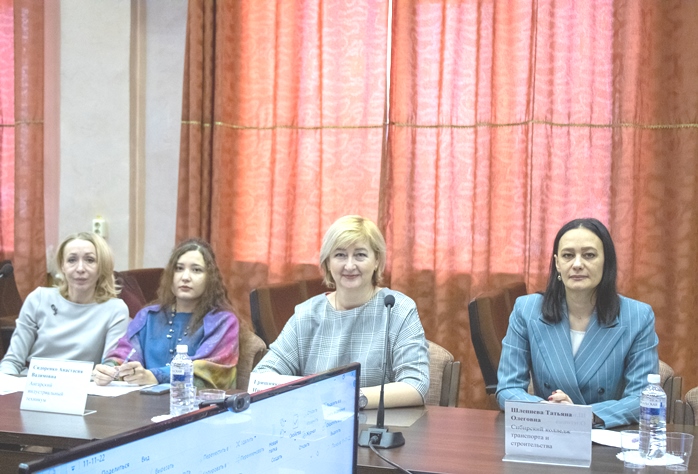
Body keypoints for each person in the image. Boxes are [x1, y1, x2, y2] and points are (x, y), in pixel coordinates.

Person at [496, 218, 659, 428]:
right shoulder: (526, 309)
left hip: (604, 436)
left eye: (589, 255)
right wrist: (547, 410)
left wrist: (584, 416)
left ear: (606, 262)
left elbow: (643, 398)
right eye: (568, 255)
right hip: (547, 432)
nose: (577, 264)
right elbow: (507, 388)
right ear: (557, 264)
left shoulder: (638, 316)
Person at [253, 215, 430, 409]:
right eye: (340, 255)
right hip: (318, 424)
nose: (350, 265)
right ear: (328, 262)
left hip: (377, 425)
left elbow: (416, 386)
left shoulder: (398, 309)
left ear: (377, 261)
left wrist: (348, 398)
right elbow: (263, 375)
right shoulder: (307, 313)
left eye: (360, 255)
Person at [93, 238, 239, 389]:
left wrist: (155, 376)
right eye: (179, 268)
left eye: (196, 270)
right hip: (143, 400)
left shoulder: (222, 321)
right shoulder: (148, 316)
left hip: (195, 401)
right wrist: (110, 369)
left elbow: (209, 371)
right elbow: (124, 354)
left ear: (210, 278)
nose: (185, 277)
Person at [0, 232, 129, 375]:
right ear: (62, 266)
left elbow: (110, 366)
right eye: (72, 260)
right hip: (35, 384)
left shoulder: (115, 309)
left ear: (102, 266)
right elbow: (12, 361)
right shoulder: (39, 299)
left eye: (90, 260)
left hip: (86, 386)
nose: (80, 269)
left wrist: (107, 375)